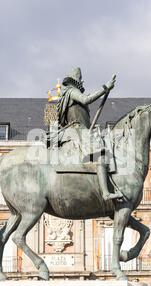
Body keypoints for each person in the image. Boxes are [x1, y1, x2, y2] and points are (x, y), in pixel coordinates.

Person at [56, 67, 123, 201]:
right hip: (77, 131)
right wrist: (105, 87)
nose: (82, 81)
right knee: (101, 156)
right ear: (75, 79)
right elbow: (86, 99)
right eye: (80, 79)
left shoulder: (68, 94)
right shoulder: (72, 91)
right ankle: (105, 192)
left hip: (79, 130)